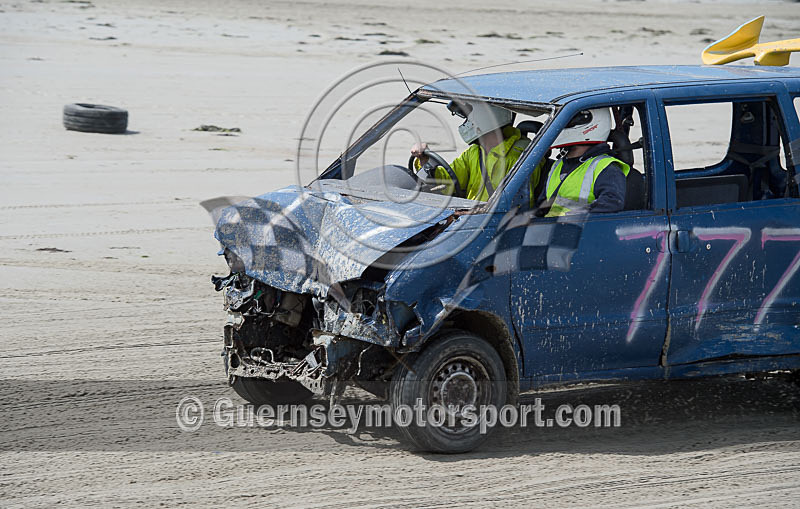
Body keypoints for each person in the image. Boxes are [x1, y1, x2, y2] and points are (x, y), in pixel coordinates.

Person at [411, 101, 542, 202]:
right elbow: (448, 182)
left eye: (468, 118)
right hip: (471, 218)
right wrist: (424, 160)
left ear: (485, 119)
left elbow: (512, 204)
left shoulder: (519, 157)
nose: (466, 123)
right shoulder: (474, 152)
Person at [535, 108, 629, 217]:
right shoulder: (557, 165)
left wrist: (575, 216)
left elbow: (612, 203)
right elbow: (542, 206)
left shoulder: (606, 168)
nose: (560, 125)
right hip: (549, 229)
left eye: (568, 121)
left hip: (578, 230)